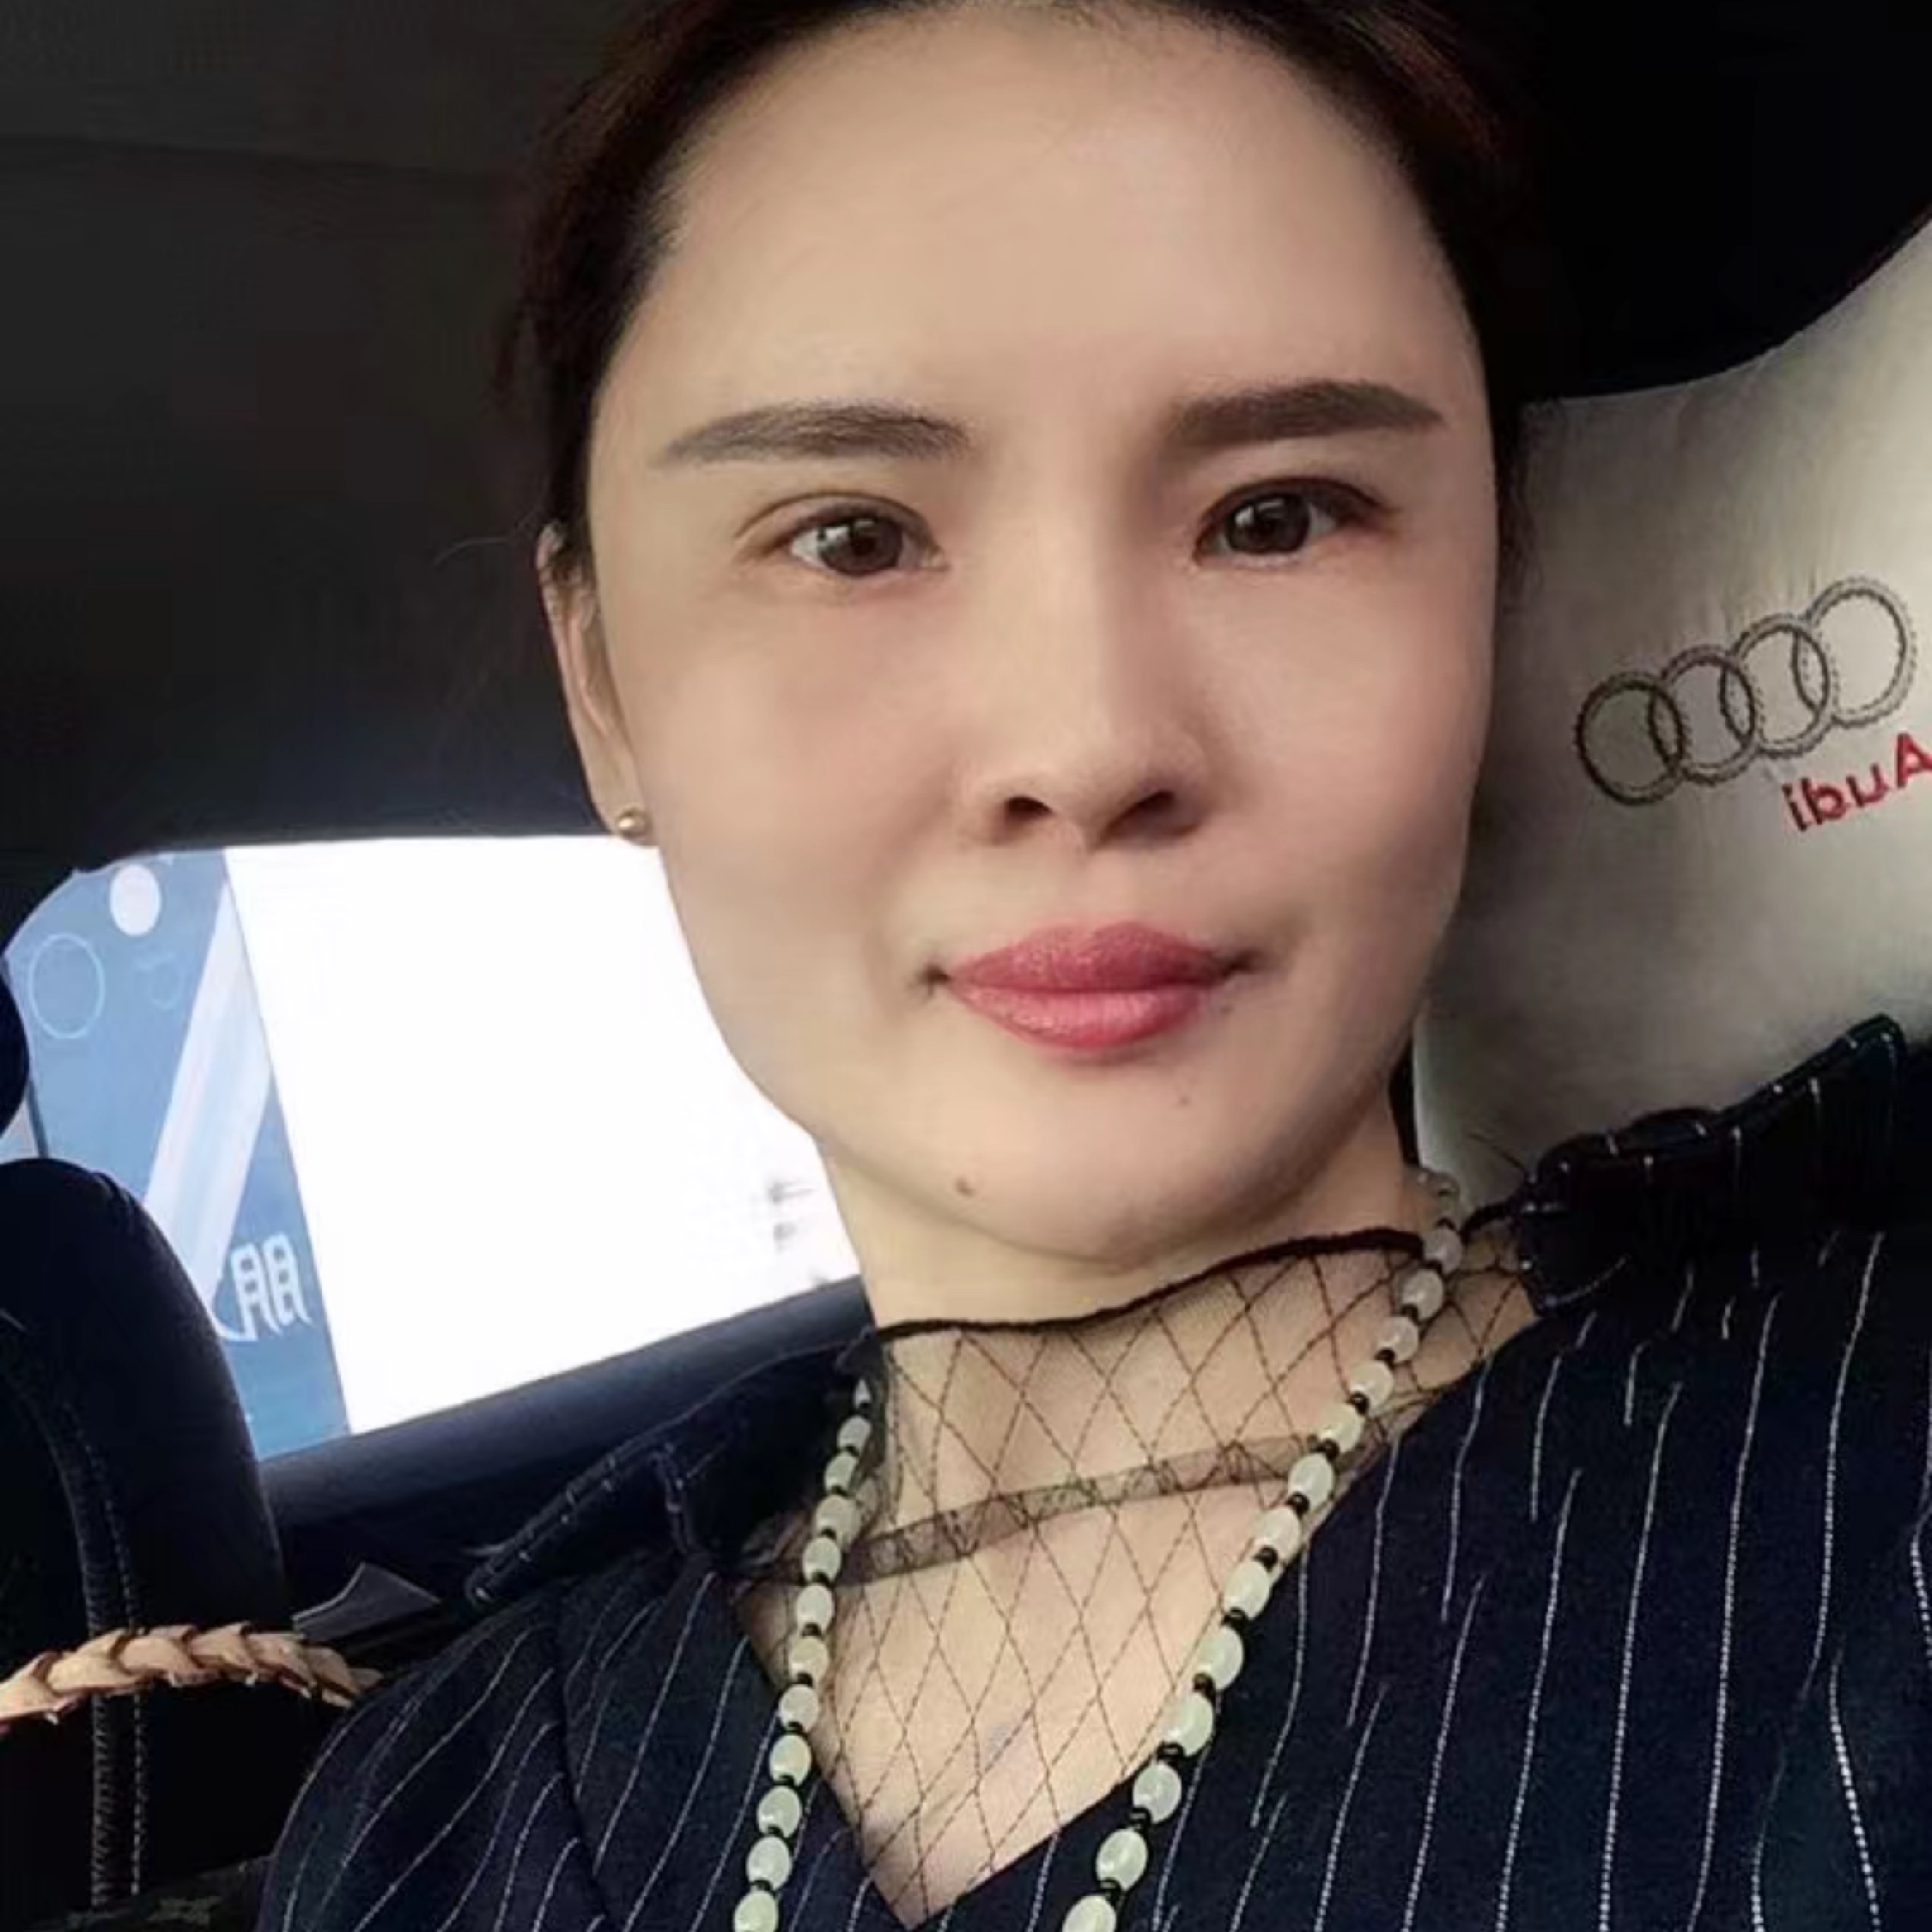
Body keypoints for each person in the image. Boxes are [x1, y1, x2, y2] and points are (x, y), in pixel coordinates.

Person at [249, 3, 1932, 1929]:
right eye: (852, 538)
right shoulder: (428, 1818)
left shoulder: (1874, 1508)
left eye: (1277, 517)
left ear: (1490, 597)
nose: (1090, 740)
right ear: (602, 685)